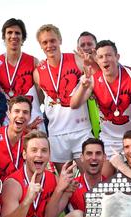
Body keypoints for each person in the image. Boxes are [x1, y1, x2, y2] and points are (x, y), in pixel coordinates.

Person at [71, 40, 131, 163]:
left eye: (108, 55)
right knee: (104, 177)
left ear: (117, 57)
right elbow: (74, 104)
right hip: (109, 139)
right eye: (100, 57)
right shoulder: (93, 80)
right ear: (97, 60)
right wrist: (83, 86)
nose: (105, 59)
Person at [33, 24, 92, 171]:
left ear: (59, 40)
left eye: (52, 40)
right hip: (57, 133)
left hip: (81, 129)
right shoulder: (38, 72)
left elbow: (91, 84)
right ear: (40, 45)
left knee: (89, 176)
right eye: (44, 42)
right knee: (65, 181)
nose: (49, 45)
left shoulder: (76, 60)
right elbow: (40, 100)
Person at [0, 18, 43, 129]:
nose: (13, 36)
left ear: (23, 38)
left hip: (32, 117)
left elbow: (41, 95)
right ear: (4, 37)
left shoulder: (33, 61)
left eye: (17, 33)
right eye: (9, 32)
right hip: (6, 120)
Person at [76, 31, 102, 138]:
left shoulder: (107, 66)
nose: (86, 47)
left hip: (107, 123)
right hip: (83, 127)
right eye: (82, 45)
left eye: (89, 44)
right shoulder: (74, 70)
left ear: (96, 47)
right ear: (78, 49)